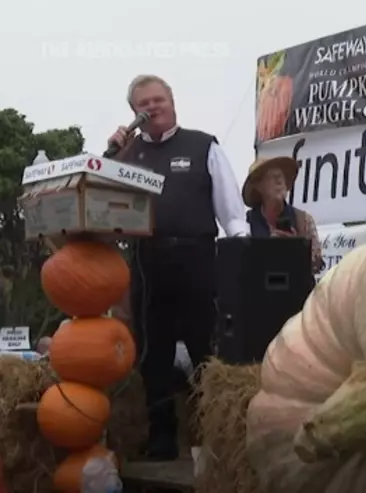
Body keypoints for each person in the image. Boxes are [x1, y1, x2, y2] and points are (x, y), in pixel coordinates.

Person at [107, 74, 249, 461]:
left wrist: (238, 260)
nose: (152, 108)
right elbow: (102, 202)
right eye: (143, 104)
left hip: (197, 258)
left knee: (205, 346)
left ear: (172, 103)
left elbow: (232, 213)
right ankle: (162, 437)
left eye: (158, 100)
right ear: (134, 113)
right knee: (154, 353)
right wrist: (113, 152)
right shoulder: (128, 154)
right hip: (147, 261)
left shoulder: (203, 145)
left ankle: (211, 434)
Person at [241, 156, 325, 274]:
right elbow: (240, 267)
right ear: (259, 187)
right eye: (272, 177)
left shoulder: (303, 219)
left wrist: (297, 247)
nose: (279, 181)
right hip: (258, 291)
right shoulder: (245, 224)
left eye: (281, 176)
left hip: (297, 290)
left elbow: (317, 264)